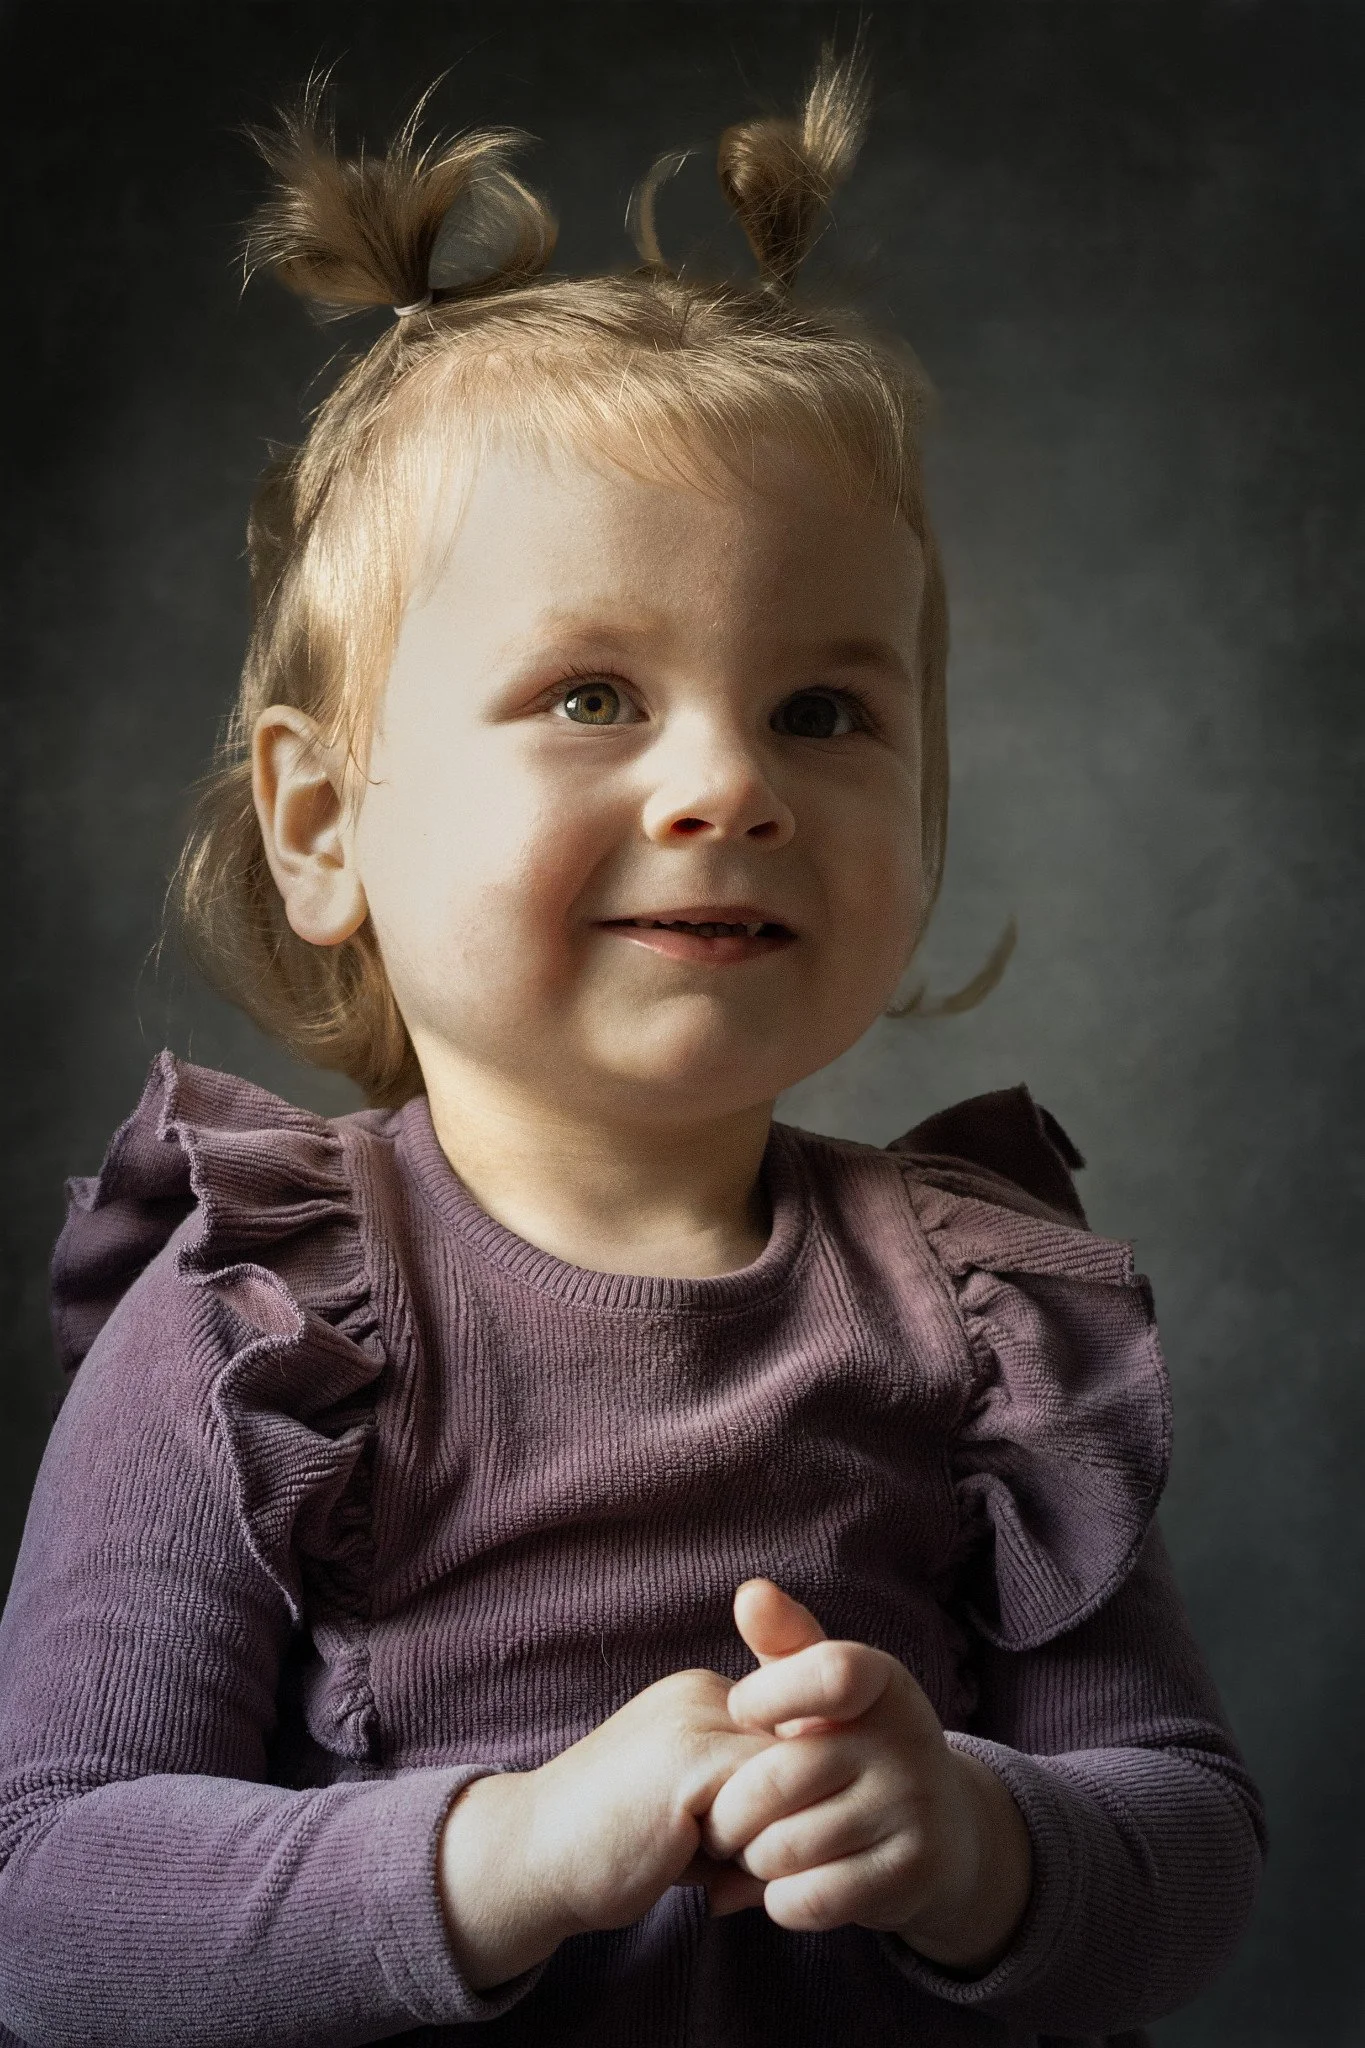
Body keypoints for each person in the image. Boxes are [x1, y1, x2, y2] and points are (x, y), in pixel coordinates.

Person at [0, 42, 1264, 2048]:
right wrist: (499, 1852)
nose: (730, 784)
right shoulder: (256, 1321)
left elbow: (1188, 1844)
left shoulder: (981, 1315)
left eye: (824, 713)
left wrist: (972, 1837)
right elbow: (53, 1915)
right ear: (324, 821)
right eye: (594, 693)